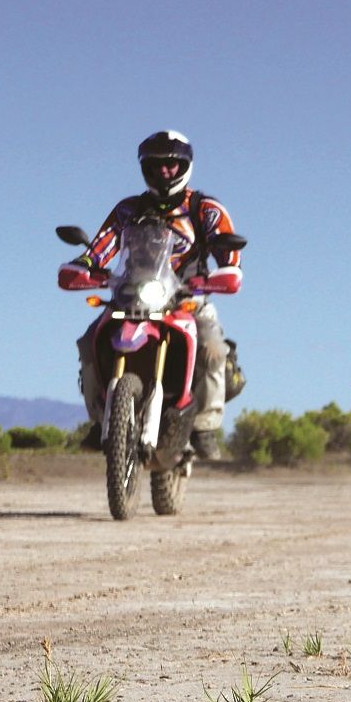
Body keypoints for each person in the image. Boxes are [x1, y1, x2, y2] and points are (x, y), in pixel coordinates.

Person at [59, 131, 242, 459]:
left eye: (172, 165)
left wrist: (227, 270)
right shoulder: (128, 209)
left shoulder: (205, 209)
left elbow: (225, 246)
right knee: (89, 341)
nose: (164, 172)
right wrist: (83, 264)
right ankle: (98, 420)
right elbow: (102, 246)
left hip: (188, 297)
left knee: (214, 349)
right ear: (145, 168)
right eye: (156, 165)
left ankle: (205, 426)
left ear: (185, 166)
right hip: (131, 295)